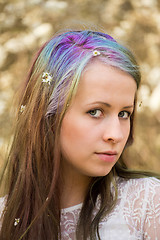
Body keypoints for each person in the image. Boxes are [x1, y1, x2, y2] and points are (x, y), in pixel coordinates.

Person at [0, 30, 160, 240]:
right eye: (95, 112)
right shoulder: (5, 219)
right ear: (49, 117)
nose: (116, 135)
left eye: (124, 114)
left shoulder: (148, 204)